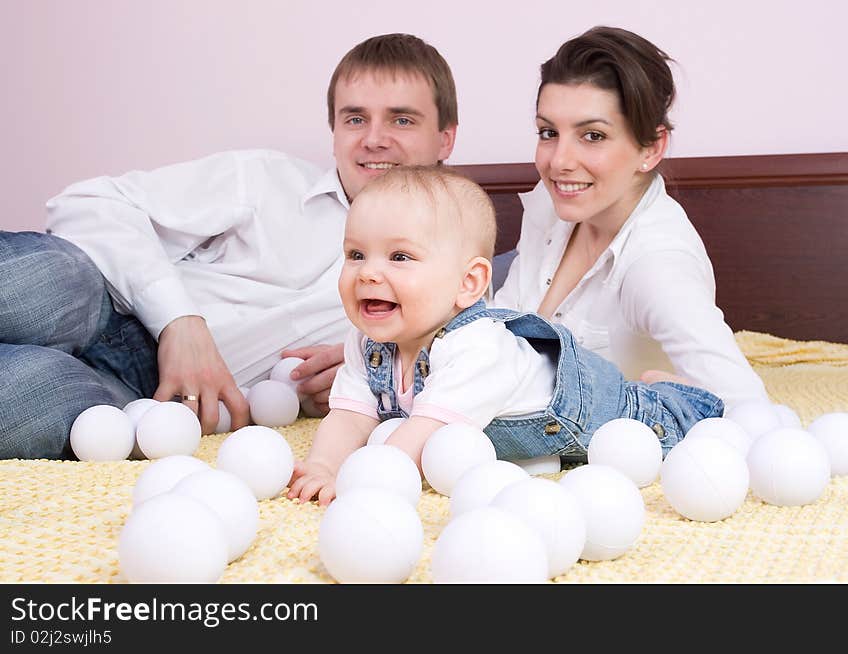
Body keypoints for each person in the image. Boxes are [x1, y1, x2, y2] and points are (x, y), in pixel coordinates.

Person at [0, 33, 458, 460]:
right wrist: (179, 322)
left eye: (402, 119)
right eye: (355, 118)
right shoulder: (265, 181)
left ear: (445, 138)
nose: (374, 138)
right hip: (106, 301)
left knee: (33, 395)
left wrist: (371, 378)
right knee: (56, 276)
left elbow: (450, 391)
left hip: (138, 397)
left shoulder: (455, 285)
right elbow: (86, 203)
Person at [287, 166, 724, 505]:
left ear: (468, 284)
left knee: (667, 424)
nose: (369, 273)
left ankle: (675, 393)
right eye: (356, 254)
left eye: (400, 256)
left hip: (587, 410)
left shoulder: (476, 346)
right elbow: (349, 416)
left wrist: (363, 480)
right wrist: (324, 465)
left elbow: (421, 437)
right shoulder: (368, 345)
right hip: (524, 426)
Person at [492, 26, 768, 409]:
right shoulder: (550, 205)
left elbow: (749, 406)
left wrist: (689, 408)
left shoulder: (656, 265)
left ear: (651, 149)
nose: (558, 162)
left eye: (592, 136)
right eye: (548, 132)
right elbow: (499, 333)